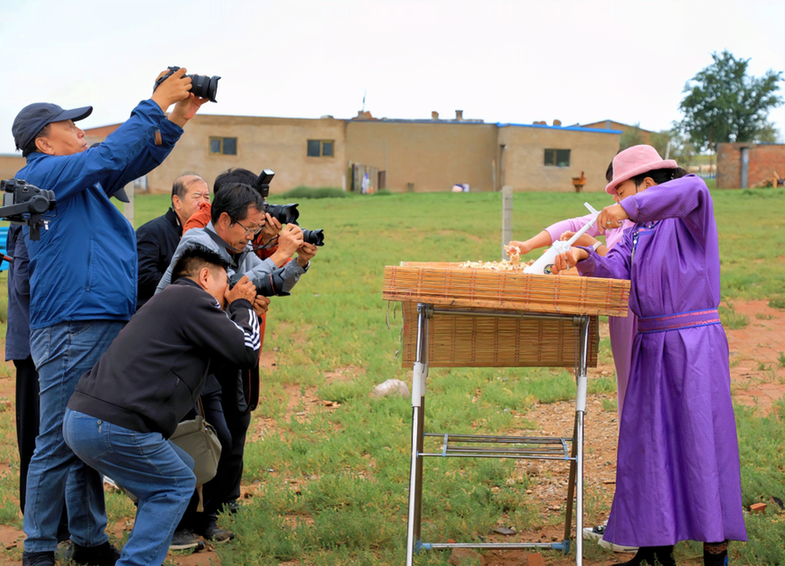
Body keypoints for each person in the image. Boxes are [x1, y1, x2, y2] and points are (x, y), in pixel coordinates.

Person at [11, 67, 208, 566]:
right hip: (72, 326)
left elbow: (135, 155)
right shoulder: (41, 174)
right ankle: (37, 549)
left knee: (81, 441)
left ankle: (89, 541)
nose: (82, 130)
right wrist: (152, 100)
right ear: (44, 143)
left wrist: (177, 115)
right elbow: (112, 153)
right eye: (71, 126)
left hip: (94, 322)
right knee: (57, 439)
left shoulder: (80, 182)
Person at [552, 145, 746, 566]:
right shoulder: (636, 235)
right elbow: (616, 271)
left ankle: (716, 549)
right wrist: (584, 256)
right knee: (649, 443)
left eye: (622, 193)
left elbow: (694, 188)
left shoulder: (689, 212)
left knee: (701, 438)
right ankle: (657, 549)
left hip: (694, 343)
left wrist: (627, 210)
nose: (618, 204)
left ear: (649, 185)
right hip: (651, 343)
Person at [63, 246, 261, 566]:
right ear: (205, 275)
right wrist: (241, 305)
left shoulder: (172, 302)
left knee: (178, 467)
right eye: (227, 279)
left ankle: (104, 547)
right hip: (115, 427)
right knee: (175, 483)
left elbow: (227, 351)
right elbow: (246, 350)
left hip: (80, 421)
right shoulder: (192, 299)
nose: (229, 287)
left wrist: (239, 311)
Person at [508, 198, 637, 415]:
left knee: (640, 377)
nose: (616, 199)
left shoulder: (648, 223)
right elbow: (575, 225)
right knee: (625, 376)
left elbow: (626, 267)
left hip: (640, 308)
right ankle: (630, 436)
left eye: (621, 191)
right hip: (619, 307)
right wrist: (528, 245)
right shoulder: (617, 216)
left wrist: (593, 246)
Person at [136, 173, 210, 308]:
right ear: (177, 202)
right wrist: (186, 289)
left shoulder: (205, 234)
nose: (204, 203)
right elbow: (144, 276)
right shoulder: (152, 231)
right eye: (197, 196)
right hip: (155, 311)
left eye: (207, 197)